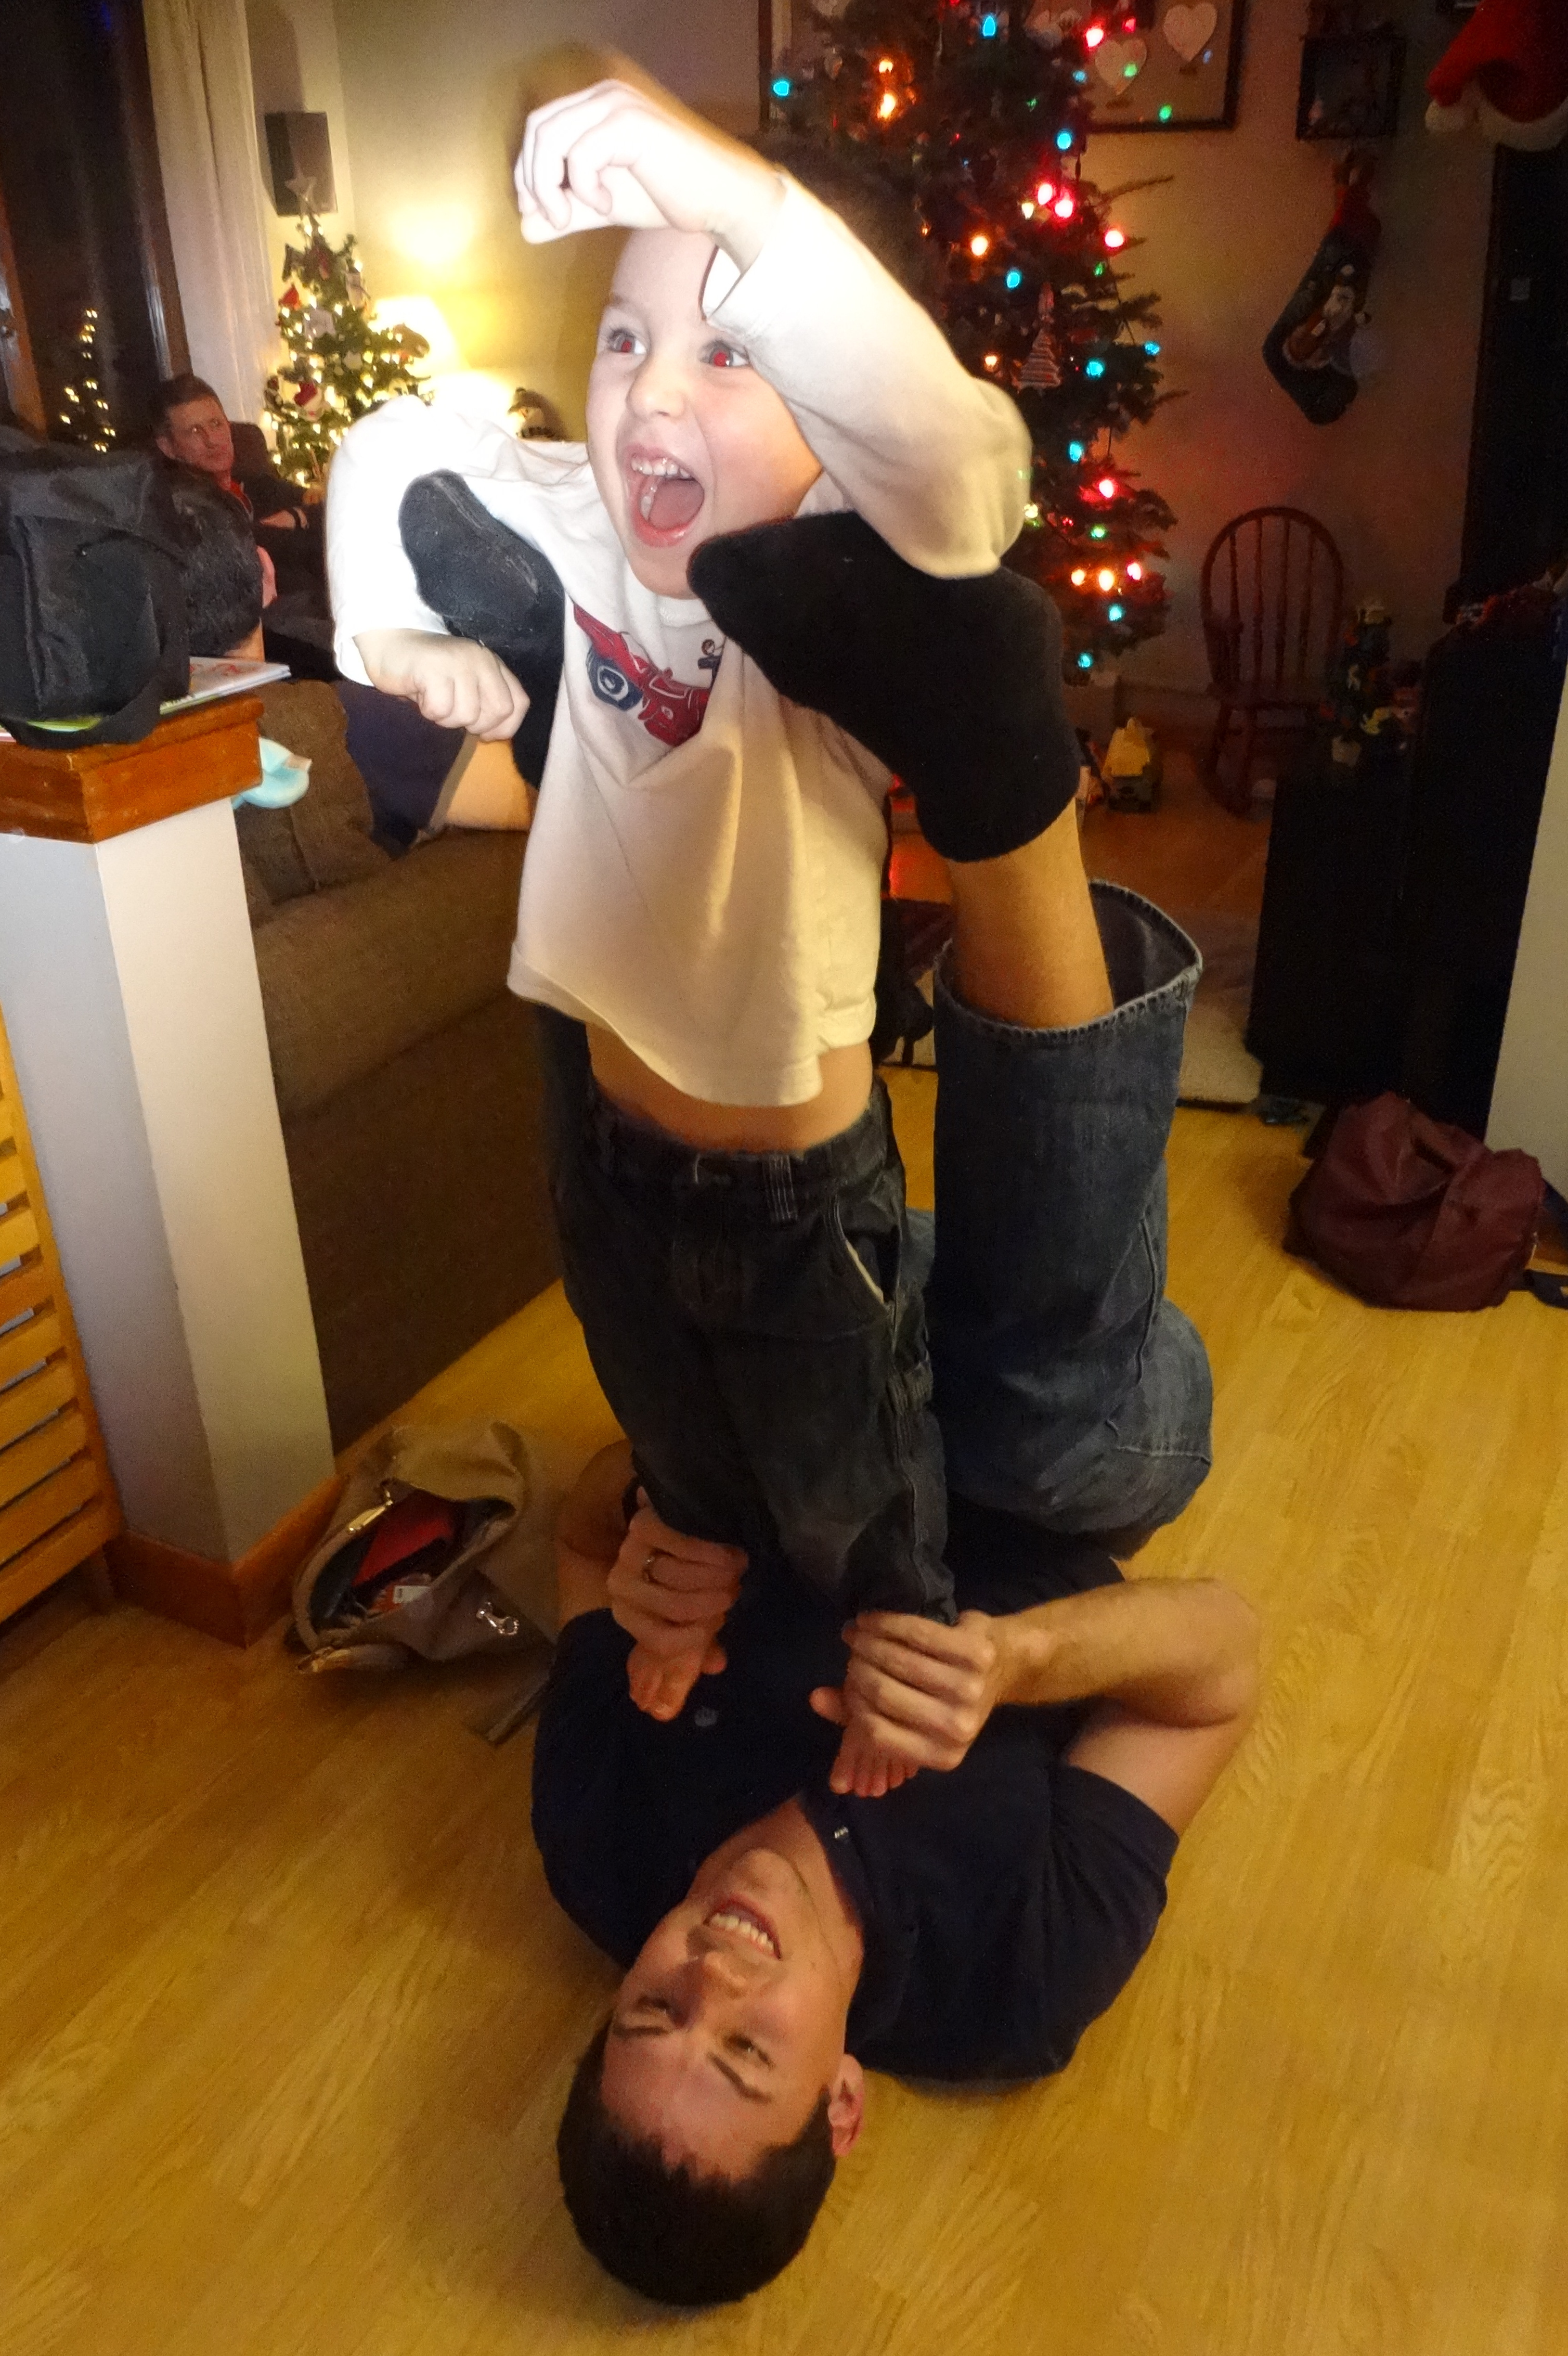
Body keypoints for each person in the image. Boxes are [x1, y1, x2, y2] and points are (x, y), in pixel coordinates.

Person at [326, 78, 1082, 1789]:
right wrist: (384, 632)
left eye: (729, 348)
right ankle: (688, 1573)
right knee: (669, 1426)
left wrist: (736, 198)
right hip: (600, 1145)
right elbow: (391, 443)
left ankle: (896, 1647)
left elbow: (971, 475)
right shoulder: (585, 527)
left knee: (849, 1484)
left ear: (834, 398)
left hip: (796, 1194)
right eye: (623, 340)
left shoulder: (845, 571)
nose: (652, 389)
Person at [532, 774, 1248, 2305]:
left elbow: (581, 1532)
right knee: (1039, 1422)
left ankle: (678, 756)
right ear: (842, 2103)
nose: (712, 1968)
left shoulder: (598, 1850)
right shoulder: (1015, 1979)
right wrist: (1019, 1658)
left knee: (692, 1430)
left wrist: (638, 1542)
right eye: (747, 2050)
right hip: (1051, 1440)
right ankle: (1004, 787)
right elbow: (1222, 1665)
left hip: (819, 1333)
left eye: (652, 2011)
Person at [150, 373, 307, 529]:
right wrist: (296, 518)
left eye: (216, 424)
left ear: (228, 424)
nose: (211, 440)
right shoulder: (183, 508)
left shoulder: (253, 483)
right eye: (195, 431)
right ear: (168, 447)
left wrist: (297, 516)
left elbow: (318, 505)